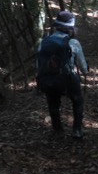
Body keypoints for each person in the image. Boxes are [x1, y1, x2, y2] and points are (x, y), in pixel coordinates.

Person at [36, 11, 88, 139]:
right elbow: (83, 66)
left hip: (48, 79)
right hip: (68, 79)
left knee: (53, 103)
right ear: (70, 28)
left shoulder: (44, 42)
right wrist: (85, 72)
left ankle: (58, 130)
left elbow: (38, 64)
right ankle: (77, 130)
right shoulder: (73, 43)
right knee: (77, 101)